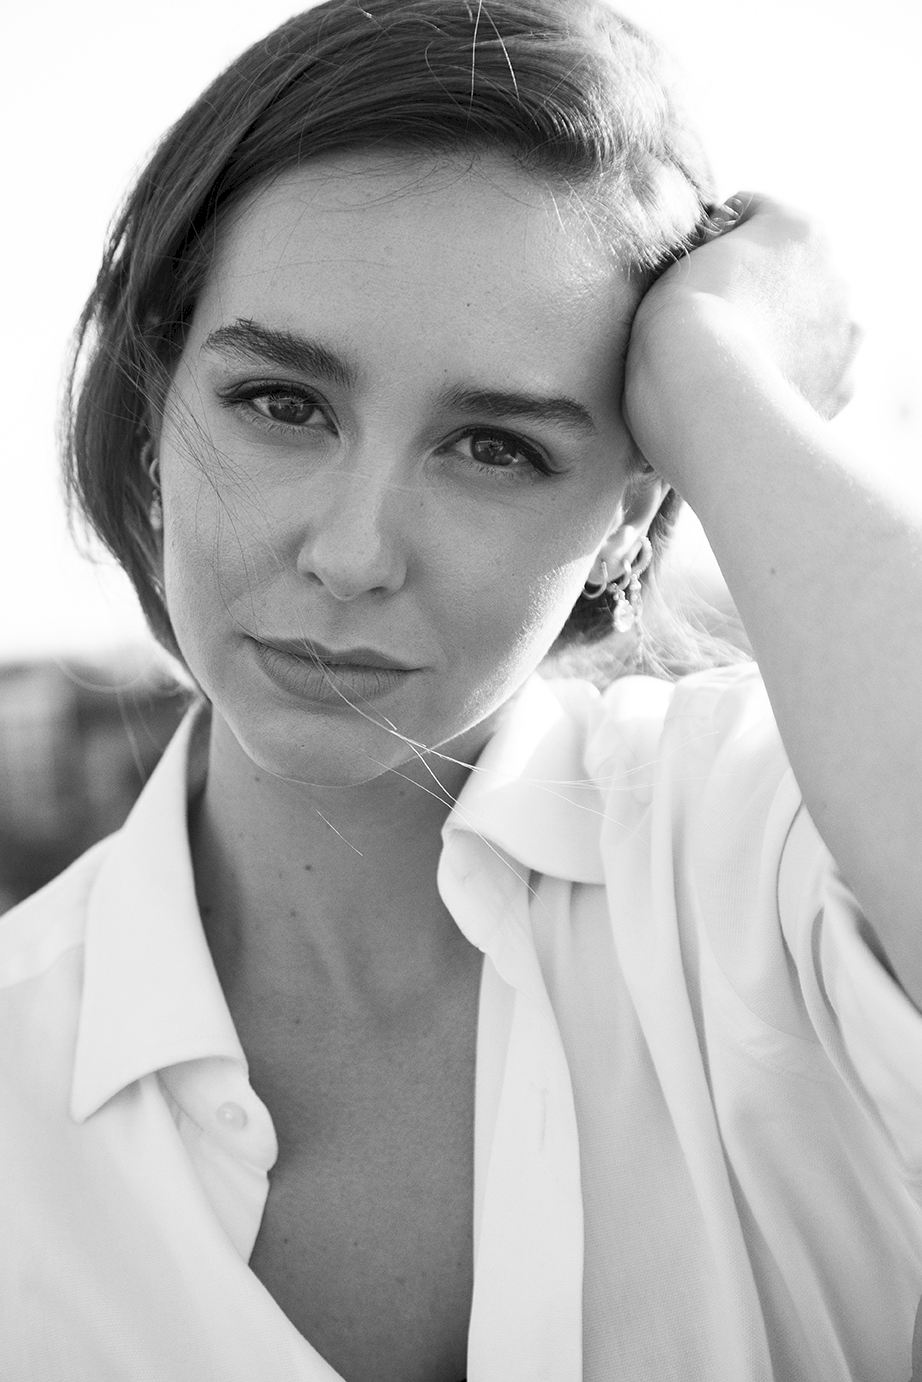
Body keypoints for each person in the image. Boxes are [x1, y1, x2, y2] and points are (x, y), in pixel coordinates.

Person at [2, 0, 921, 1378]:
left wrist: (719, 382)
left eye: (496, 447)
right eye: (282, 403)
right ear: (149, 422)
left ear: (626, 515)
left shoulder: (765, 856)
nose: (352, 552)